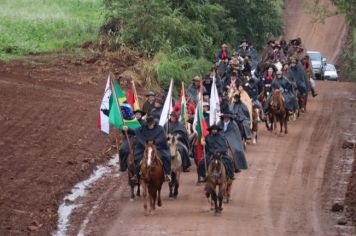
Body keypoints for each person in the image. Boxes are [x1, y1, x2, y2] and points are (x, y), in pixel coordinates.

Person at [133, 116, 171, 181]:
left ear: (154, 123)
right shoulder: (142, 128)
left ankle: (167, 174)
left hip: (158, 147)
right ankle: (136, 174)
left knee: (166, 156)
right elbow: (136, 132)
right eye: (148, 124)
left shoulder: (160, 129)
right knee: (136, 157)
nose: (150, 125)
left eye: (151, 124)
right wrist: (127, 129)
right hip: (144, 147)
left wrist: (155, 143)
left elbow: (162, 138)